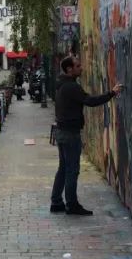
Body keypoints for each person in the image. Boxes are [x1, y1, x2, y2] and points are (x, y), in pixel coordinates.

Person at [51, 55, 123, 215]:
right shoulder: (71, 87)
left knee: (63, 168)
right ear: (69, 69)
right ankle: (71, 205)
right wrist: (112, 93)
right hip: (70, 134)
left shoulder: (61, 84)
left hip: (61, 131)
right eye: (77, 66)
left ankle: (56, 202)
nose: (81, 68)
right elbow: (90, 101)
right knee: (72, 170)